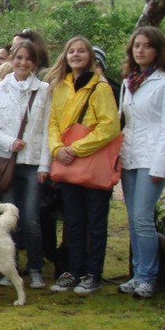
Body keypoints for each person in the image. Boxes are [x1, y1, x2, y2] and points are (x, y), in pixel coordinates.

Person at [45, 37, 120, 295]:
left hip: (91, 161)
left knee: (95, 222)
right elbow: (53, 122)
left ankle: (93, 273)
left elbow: (109, 126)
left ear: (90, 56)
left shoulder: (101, 87)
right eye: (71, 51)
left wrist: (75, 149)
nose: (75, 55)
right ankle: (73, 270)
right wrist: (57, 149)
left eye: (81, 51)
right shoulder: (60, 86)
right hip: (66, 162)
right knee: (73, 221)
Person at [0, 40, 51, 290]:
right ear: (12, 59)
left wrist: (45, 165)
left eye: (28, 59)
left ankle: (34, 268)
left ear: (35, 62)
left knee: (31, 218)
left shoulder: (44, 90)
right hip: (5, 162)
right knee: (8, 220)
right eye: (18, 58)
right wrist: (9, 142)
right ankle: (9, 268)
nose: (22, 63)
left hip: (32, 163)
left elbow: (47, 129)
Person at [117, 26, 165, 299]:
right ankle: (137, 274)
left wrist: (160, 166)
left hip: (153, 158)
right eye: (136, 45)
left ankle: (148, 277)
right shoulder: (129, 81)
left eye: (146, 45)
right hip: (130, 156)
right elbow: (124, 121)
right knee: (134, 220)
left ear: (157, 50)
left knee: (143, 217)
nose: (140, 50)